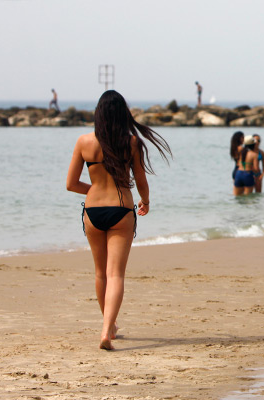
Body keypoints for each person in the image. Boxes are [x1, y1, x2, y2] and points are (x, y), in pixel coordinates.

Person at [66, 90, 172, 350]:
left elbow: (70, 184)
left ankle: (110, 327)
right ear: (122, 113)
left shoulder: (83, 142)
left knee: (100, 273)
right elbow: (142, 181)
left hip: (92, 212)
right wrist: (145, 201)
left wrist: (92, 191)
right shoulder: (131, 142)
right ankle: (106, 330)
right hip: (121, 208)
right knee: (116, 274)